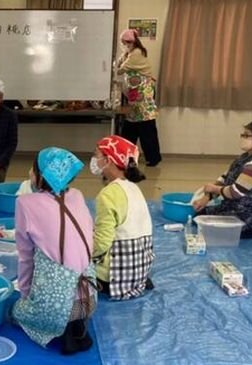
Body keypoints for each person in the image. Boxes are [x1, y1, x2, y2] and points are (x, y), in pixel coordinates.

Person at [12, 147, 97, 355]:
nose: (30, 174)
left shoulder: (25, 203)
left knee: (13, 313)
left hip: (57, 308)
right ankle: (74, 328)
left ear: (41, 175)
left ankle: (60, 329)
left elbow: (25, 257)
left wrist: (24, 294)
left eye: (33, 169)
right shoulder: (77, 195)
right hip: (90, 300)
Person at [90, 135, 154, 300]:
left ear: (109, 160)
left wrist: (83, 254)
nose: (94, 160)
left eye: (97, 155)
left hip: (114, 277)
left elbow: (102, 243)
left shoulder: (108, 194)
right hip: (139, 270)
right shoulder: (133, 187)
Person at [193, 120, 252, 238]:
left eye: (247, 135)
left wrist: (213, 188)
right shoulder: (243, 158)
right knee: (198, 217)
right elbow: (225, 178)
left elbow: (234, 192)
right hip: (236, 207)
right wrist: (207, 197)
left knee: (211, 229)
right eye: (243, 135)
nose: (242, 138)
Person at [116, 29, 161, 167]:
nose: (124, 45)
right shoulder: (130, 53)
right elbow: (120, 65)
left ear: (131, 42)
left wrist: (121, 60)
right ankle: (128, 157)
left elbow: (120, 69)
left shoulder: (136, 54)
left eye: (125, 42)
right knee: (132, 127)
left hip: (143, 95)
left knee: (145, 127)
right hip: (136, 95)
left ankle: (152, 158)